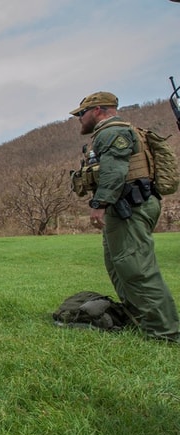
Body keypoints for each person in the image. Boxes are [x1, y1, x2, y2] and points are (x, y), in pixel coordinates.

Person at [70, 91, 179, 342]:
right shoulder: (113, 132)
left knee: (137, 270)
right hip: (125, 207)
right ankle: (139, 319)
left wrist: (99, 203)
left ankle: (165, 333)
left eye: (81, 113)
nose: (79, 119)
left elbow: (115, 172)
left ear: (98, 110)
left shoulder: (111, 132)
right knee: (120, 267)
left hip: (130, 206)